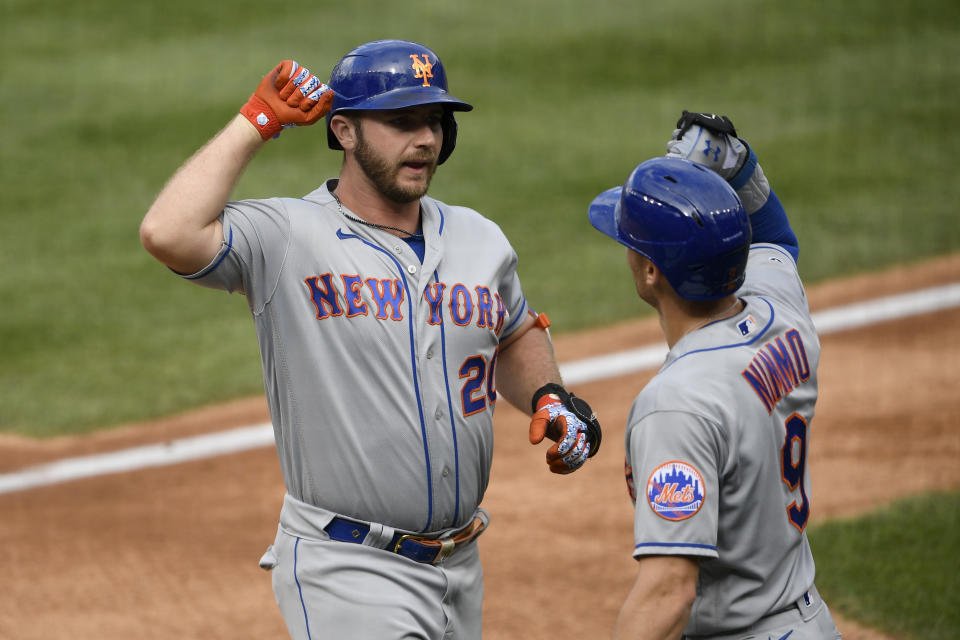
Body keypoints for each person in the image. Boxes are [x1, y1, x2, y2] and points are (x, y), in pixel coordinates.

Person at [139, 39, 601, 639]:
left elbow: (511, 333)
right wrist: (258, 121)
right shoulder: (288, 237)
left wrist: (549, 396)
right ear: (345, 132)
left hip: (458, 567)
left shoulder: (479, 238)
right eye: (401, 122)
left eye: (433, 121)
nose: (426, 139)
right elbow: (167, 232)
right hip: (347, 569)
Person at [587, 112, 841, 639]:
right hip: (808, 622)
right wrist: (738, 165)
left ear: (652, 271)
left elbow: (667, 592)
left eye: (630, 241)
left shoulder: (676, 404)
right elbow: (778, 240)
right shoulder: (781, 317)